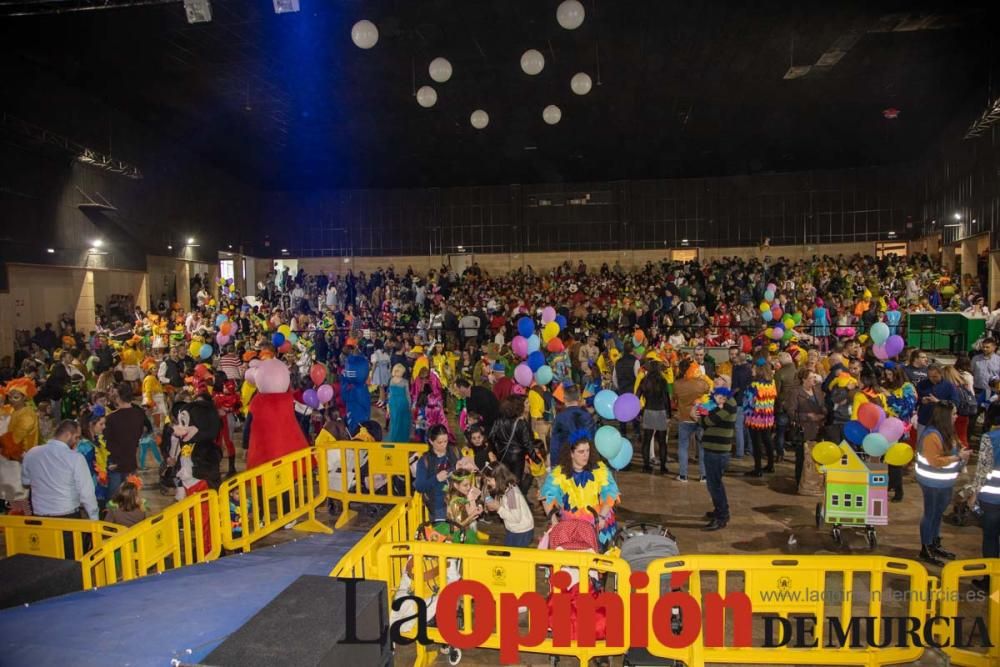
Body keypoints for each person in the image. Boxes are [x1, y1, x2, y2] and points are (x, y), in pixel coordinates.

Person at [21, 420, 98, 557]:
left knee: (45, 561)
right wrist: (94, 519)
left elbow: (25, 481)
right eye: (76, 437)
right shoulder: (75, 458)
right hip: (67, 519)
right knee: (70, 563)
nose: (77, 441)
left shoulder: (32, 453)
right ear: (68, 435)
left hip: (40, 518)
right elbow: (87, 493)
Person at [540, 435, 621, 548]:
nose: (586, 455)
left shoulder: (599, 469)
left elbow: (611, 493)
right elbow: (546, 497)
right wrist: (554, 522)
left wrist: (602, 517)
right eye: (581, 451)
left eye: (588, 450)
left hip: (598, 523)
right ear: (571, 454)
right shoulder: (559, 474)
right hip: (570, 528)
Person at [915, 402, 969, 566]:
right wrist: (958, 457)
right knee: (931, 514)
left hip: (944, 482)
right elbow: (934, 461)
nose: (956, 416)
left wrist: (961, 455)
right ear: (945, 416)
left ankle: (934, 543)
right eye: (953, 414)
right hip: (931, 483)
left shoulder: (947, 432)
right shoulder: (932, 435)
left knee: (938, 514)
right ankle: (926, 548)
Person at [699, 386, 737, 531]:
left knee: (715, 485)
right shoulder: (720, 402)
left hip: (718, 450)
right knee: (714, 483)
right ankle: (720, 510)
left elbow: (707, 421)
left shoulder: (728, 404)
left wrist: (702, 416)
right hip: (713, 448)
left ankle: (721, 516)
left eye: (719, 381)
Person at [104, 383, 146, 497]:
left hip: (115, 463)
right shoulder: (139, 414)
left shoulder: (111, 418)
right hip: (131, 461)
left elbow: (104, 440)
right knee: (130, 499)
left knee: (114, 500)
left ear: (118, 397)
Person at [414, 424, 462, 522]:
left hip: (457, 501)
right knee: (442, 534)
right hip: (438, 506)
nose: (444, 445)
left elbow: (463, 470)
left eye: (446, 441)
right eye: (440, 442)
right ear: (431, 441)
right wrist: (436, 478)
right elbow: (419, 486)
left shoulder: (455, 451)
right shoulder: (424, 461)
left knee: (459, 533)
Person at [972, 423, 1000, 591]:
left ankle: (989, 581)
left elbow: (983, 469)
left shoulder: (991, 438)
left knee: (990, 538)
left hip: (991, 498)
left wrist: (974, 493)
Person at [674, 358, 712, 481]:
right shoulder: (701, 383)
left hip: (684, 418)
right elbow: (710, 388)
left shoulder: (677, 384)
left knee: (683, 447)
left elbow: (674, 398)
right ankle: (704, 475)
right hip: (700, 417)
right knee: (702, 447)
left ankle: (683, 475)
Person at [488, 396, 533, 496]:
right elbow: (528, 443)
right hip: (518, 459)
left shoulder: (498, 421)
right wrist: (536, 459)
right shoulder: (521, 423)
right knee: (516, 484)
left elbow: (491, 438)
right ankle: (516, 504)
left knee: (504, 481)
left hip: (503, 457)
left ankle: (506, 504)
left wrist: (496, 449)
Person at [789, 368, 827, 487]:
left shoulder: (818, 391)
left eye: (814, 377)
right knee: (801, 457)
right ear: (803, 379)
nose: (814, 380)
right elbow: (791, 412)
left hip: (818, 429)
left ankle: (814, 482)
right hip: (803, 430)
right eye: (811, 378)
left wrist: (823, 414)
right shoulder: (796, 392)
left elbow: (823, 406)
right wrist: (807, 416)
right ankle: (799, 481)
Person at [484, 462, 534, 547]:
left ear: (498, 478)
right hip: (514, 529)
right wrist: (496, 506)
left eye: (489, 480)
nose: (488, 483)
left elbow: (515, 518)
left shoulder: (511, 494)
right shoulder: (504, 487)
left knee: (514, 556)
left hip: (522, 531)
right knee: (508, 551)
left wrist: (499, 508)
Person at [744, 358, 778, 477]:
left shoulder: (753, 385)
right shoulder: (772, 383)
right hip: (767, 416)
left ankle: (757, 468)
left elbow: (749, 402)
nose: (751, 370)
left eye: (753, 368)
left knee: (756, 442)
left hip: (755, 417)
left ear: (758, 369)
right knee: (767, 440)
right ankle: (771, 465)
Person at [636, 360, 671, 474]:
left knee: (646, 440)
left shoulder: (644, 381)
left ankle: (646, 465)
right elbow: (666, 399)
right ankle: (663, 466)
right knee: (662, 442)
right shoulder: (662, 381)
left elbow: (637, 397)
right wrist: (669, 414)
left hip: (648, 411)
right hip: (660, 411)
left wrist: (638, 412)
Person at [549, 384, 594, 467]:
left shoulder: (559, 418)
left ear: (564, 399)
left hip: (565, 461)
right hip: (583, 460)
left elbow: (555, 445)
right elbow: (590, 440)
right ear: (579, 398)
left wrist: (554, 465)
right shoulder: (587, 416)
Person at [916, 365, 960, 439]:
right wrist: (921, 400)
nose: (931, 379)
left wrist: (938, 401)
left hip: (941, 422)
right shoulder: (922, 384)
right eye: (929, 376)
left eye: (935, 376)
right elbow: (915, 399)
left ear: (941, 374)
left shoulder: (949, 386)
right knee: (921, 445)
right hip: (924, 420)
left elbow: (955, 403)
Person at [386, 363, 412, 443]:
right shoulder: (405, 382)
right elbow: (407, 395)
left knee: (394, 421)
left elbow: (389, 394)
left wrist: (388, 405)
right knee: (403, 422)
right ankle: (402, 439)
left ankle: (394, 438)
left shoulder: (391, 380)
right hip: (402, 403)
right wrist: (410, 405)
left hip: (393, 402)